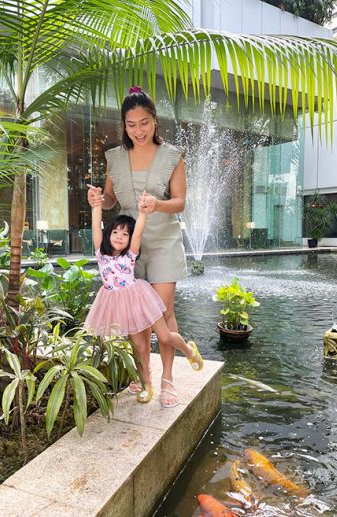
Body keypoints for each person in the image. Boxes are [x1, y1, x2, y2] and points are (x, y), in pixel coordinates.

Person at [86, 85, 200, 407]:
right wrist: (99, 199)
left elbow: (179, 202)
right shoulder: (114, 157)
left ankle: (167, 379)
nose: (138, 131)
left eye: (144, 123)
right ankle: (144, 377)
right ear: (124, 125)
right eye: (131, 124)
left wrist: (156, 205)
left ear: (155, 121)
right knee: (134, 317)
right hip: (126, 249)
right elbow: (111, 200)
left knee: (163, 314)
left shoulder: (173, 156)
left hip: (163, 241)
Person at [83, 196, 202, 406]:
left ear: (130, 240)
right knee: (137, 345)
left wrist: (144, 212)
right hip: (119, 303)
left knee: (164, 336)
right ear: (108, 234)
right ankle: (147, 384)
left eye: (124, 234)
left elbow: (138, 232)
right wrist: (96, 206)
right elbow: (95, 229)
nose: (119, 236)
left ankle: (188, 349)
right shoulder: (101, 255)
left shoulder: (129, 256)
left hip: (140, 299)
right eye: (115, 232)